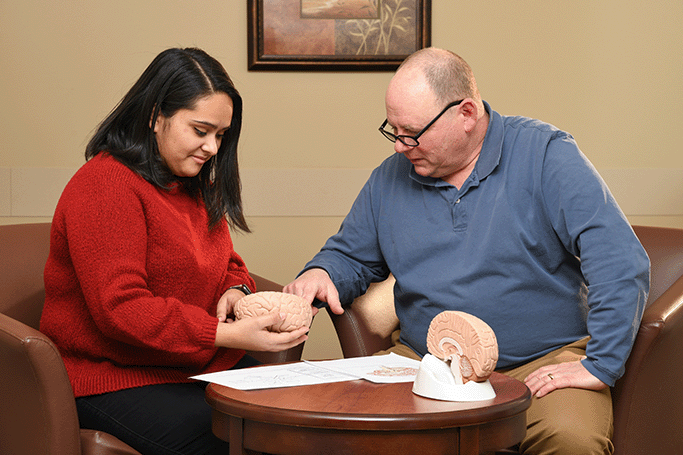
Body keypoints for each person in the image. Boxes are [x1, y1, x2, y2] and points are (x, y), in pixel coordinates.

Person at [284, 47, 649, 454]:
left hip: (539, 365)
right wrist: (322, 272)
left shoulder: (547, 154)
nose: (400, 147)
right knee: (346, 430)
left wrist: (599, 365)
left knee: (571, 441)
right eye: (394, 130)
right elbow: (350, 255)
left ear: (467, 114)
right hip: (426, 363)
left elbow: (620, 260)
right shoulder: (389, 179)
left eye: (413, 133)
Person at [40, 47, 308, 455]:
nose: (213, 148)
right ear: (154, 116)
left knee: (302, 421)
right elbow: (122, 308)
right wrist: (225, 333)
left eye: (220, 135)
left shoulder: (192, 183)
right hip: (116, 376)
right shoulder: (104, 184)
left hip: (193, 366)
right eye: (200, 131)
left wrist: (237, 293)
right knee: (248, 440)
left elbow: (228, 264)